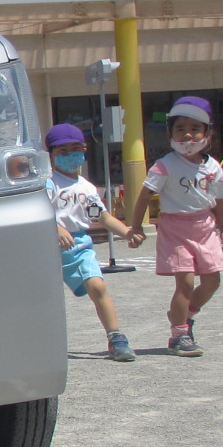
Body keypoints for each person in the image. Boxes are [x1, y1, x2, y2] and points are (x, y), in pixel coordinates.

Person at [127, 96, 223, 357]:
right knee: (184, 281)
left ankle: (185, 314)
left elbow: (219, 200)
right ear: (170, 134)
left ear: (208, 133)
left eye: (195, 128)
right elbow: (144, 196)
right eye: (180, 129)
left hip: (205, 227)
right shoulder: (165, 165)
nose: (188, 135)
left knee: (212, 281)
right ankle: (179, 335)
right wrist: (136, 226)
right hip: (175, 229)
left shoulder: (213, 167)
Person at [46, 124, 139, 362]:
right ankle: (38, 342)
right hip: (46, 248)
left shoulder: (86, 188)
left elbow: (101, 216)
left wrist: (127, 232)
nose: (70, 155)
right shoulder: (48, 183)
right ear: (51, 155)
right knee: (44, 298)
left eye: (75, 149)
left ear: (85, 150)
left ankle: (116, 337)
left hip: (79, 246)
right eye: (62, 151)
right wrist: (56, 228)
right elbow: (39, 211)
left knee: (97, 286)